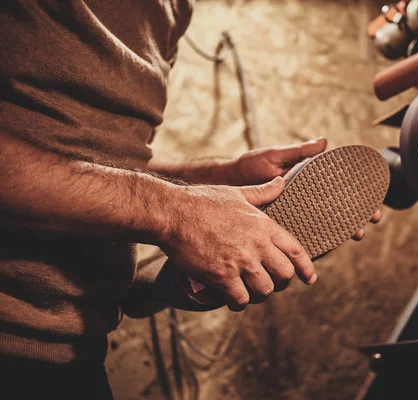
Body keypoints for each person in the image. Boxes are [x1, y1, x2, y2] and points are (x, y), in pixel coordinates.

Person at [0, 1, 380, 398]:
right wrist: (173, 211)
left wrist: (223, 177)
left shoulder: (172, 9)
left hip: (77, 354)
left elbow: (112, 158)